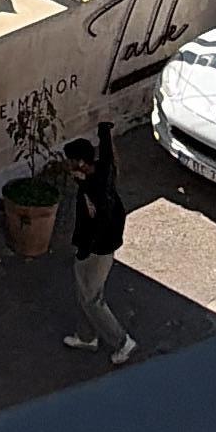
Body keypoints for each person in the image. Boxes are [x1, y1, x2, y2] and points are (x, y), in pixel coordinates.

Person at [59, 127, 135, 363]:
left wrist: (84, 248)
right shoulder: (103, 170)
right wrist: (104, 133)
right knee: (84, 292)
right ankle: (86, 336)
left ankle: (122, 342)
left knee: (92, 298)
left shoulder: (95, 190)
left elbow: (98, 223)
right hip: (100, 246)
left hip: (96, 250)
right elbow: (108, 155)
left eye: (71, 161)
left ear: (81, 163)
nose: (67, 165)